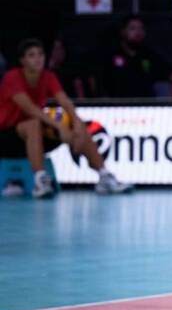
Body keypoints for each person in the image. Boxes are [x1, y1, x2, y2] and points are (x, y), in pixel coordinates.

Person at [0, 39, 131, 198]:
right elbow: (30, 109)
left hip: (34, 138)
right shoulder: (12, 77)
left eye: (40, 54)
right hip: (6, 138)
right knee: (33, 124)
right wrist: (60, 127)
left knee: (78, 124)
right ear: (23, 60)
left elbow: (65, 102)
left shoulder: (48, 76)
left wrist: (77, 126)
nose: (38, 59)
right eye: (31, 55)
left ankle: (104, 176)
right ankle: (41, 181)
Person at [94, 15, 172, 98]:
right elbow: (97, 81)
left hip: (145, 105)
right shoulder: (110, 55)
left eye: (141, 29)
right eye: (132, 29)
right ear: (123, 32)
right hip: (118, 106)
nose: (138, 32)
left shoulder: (149, 55)